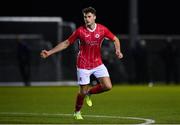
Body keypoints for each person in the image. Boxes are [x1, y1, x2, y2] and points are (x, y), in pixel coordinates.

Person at [40, 6, 123, 120]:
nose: (87, 19)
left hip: (97, 63)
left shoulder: (102, 29)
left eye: (89, 17)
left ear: (94, 17)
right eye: (85, 17)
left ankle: (90, 92)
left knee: (108, 86)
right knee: (81, 92)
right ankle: (77, 112)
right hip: (83, 64)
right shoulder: (80, 31)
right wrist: (49, 52)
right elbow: (66, 43)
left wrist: (118, 50)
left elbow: (115, 39)